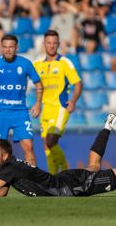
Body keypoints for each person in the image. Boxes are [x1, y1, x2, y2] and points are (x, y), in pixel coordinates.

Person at [0, 103, 116, 197]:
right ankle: (107, 127)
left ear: (5, 155)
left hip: (70, 188)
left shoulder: (10, 169)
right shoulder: (10, 168)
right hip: (65, 180)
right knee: (93, 166)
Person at [0, 34, 43, 181]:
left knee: (28, 147)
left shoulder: (26, 64)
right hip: (0, 113)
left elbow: (39, 84)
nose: (8, 50)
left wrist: (38, 103)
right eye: (5, 47)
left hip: (20, 113)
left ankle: (33, 183)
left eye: (11, 47)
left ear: (17, 48)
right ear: (1, 48)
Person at [33, 30, 82, 174]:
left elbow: (78, 83)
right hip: (45, 109)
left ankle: (66, 174)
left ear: (59, 44)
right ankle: (54, 180)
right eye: (49, 43)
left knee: (50, 141)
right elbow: (21, 70)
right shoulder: (37, 64)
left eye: (55, 43)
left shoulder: (65, 62)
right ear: (44, 44)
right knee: (47, 148)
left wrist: (73, 101)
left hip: (60, 107)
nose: (52, 46)